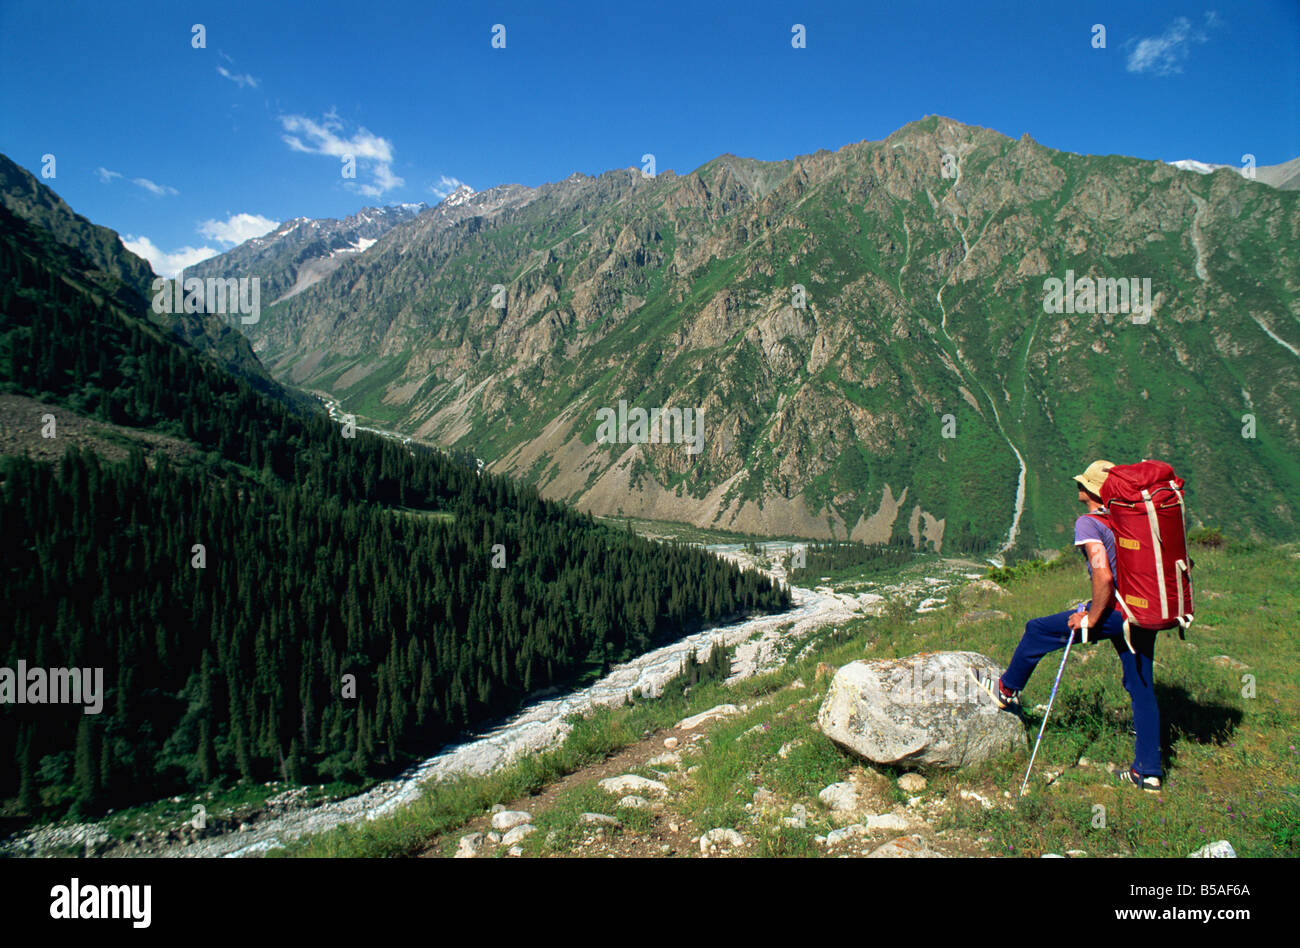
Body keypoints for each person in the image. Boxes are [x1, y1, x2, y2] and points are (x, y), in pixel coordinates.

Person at [980, 460, 1163, 792]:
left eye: (1083, 484)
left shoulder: (1089, 524)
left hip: (1115, 614)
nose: (1077, 487)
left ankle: (1006, 690)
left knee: (1037, 630)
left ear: (1091, 491)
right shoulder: (1127, 519)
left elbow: (1103, 573)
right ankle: (1148, 772)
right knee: (1141, 685)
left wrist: (1091, 618)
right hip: (1142, 609)